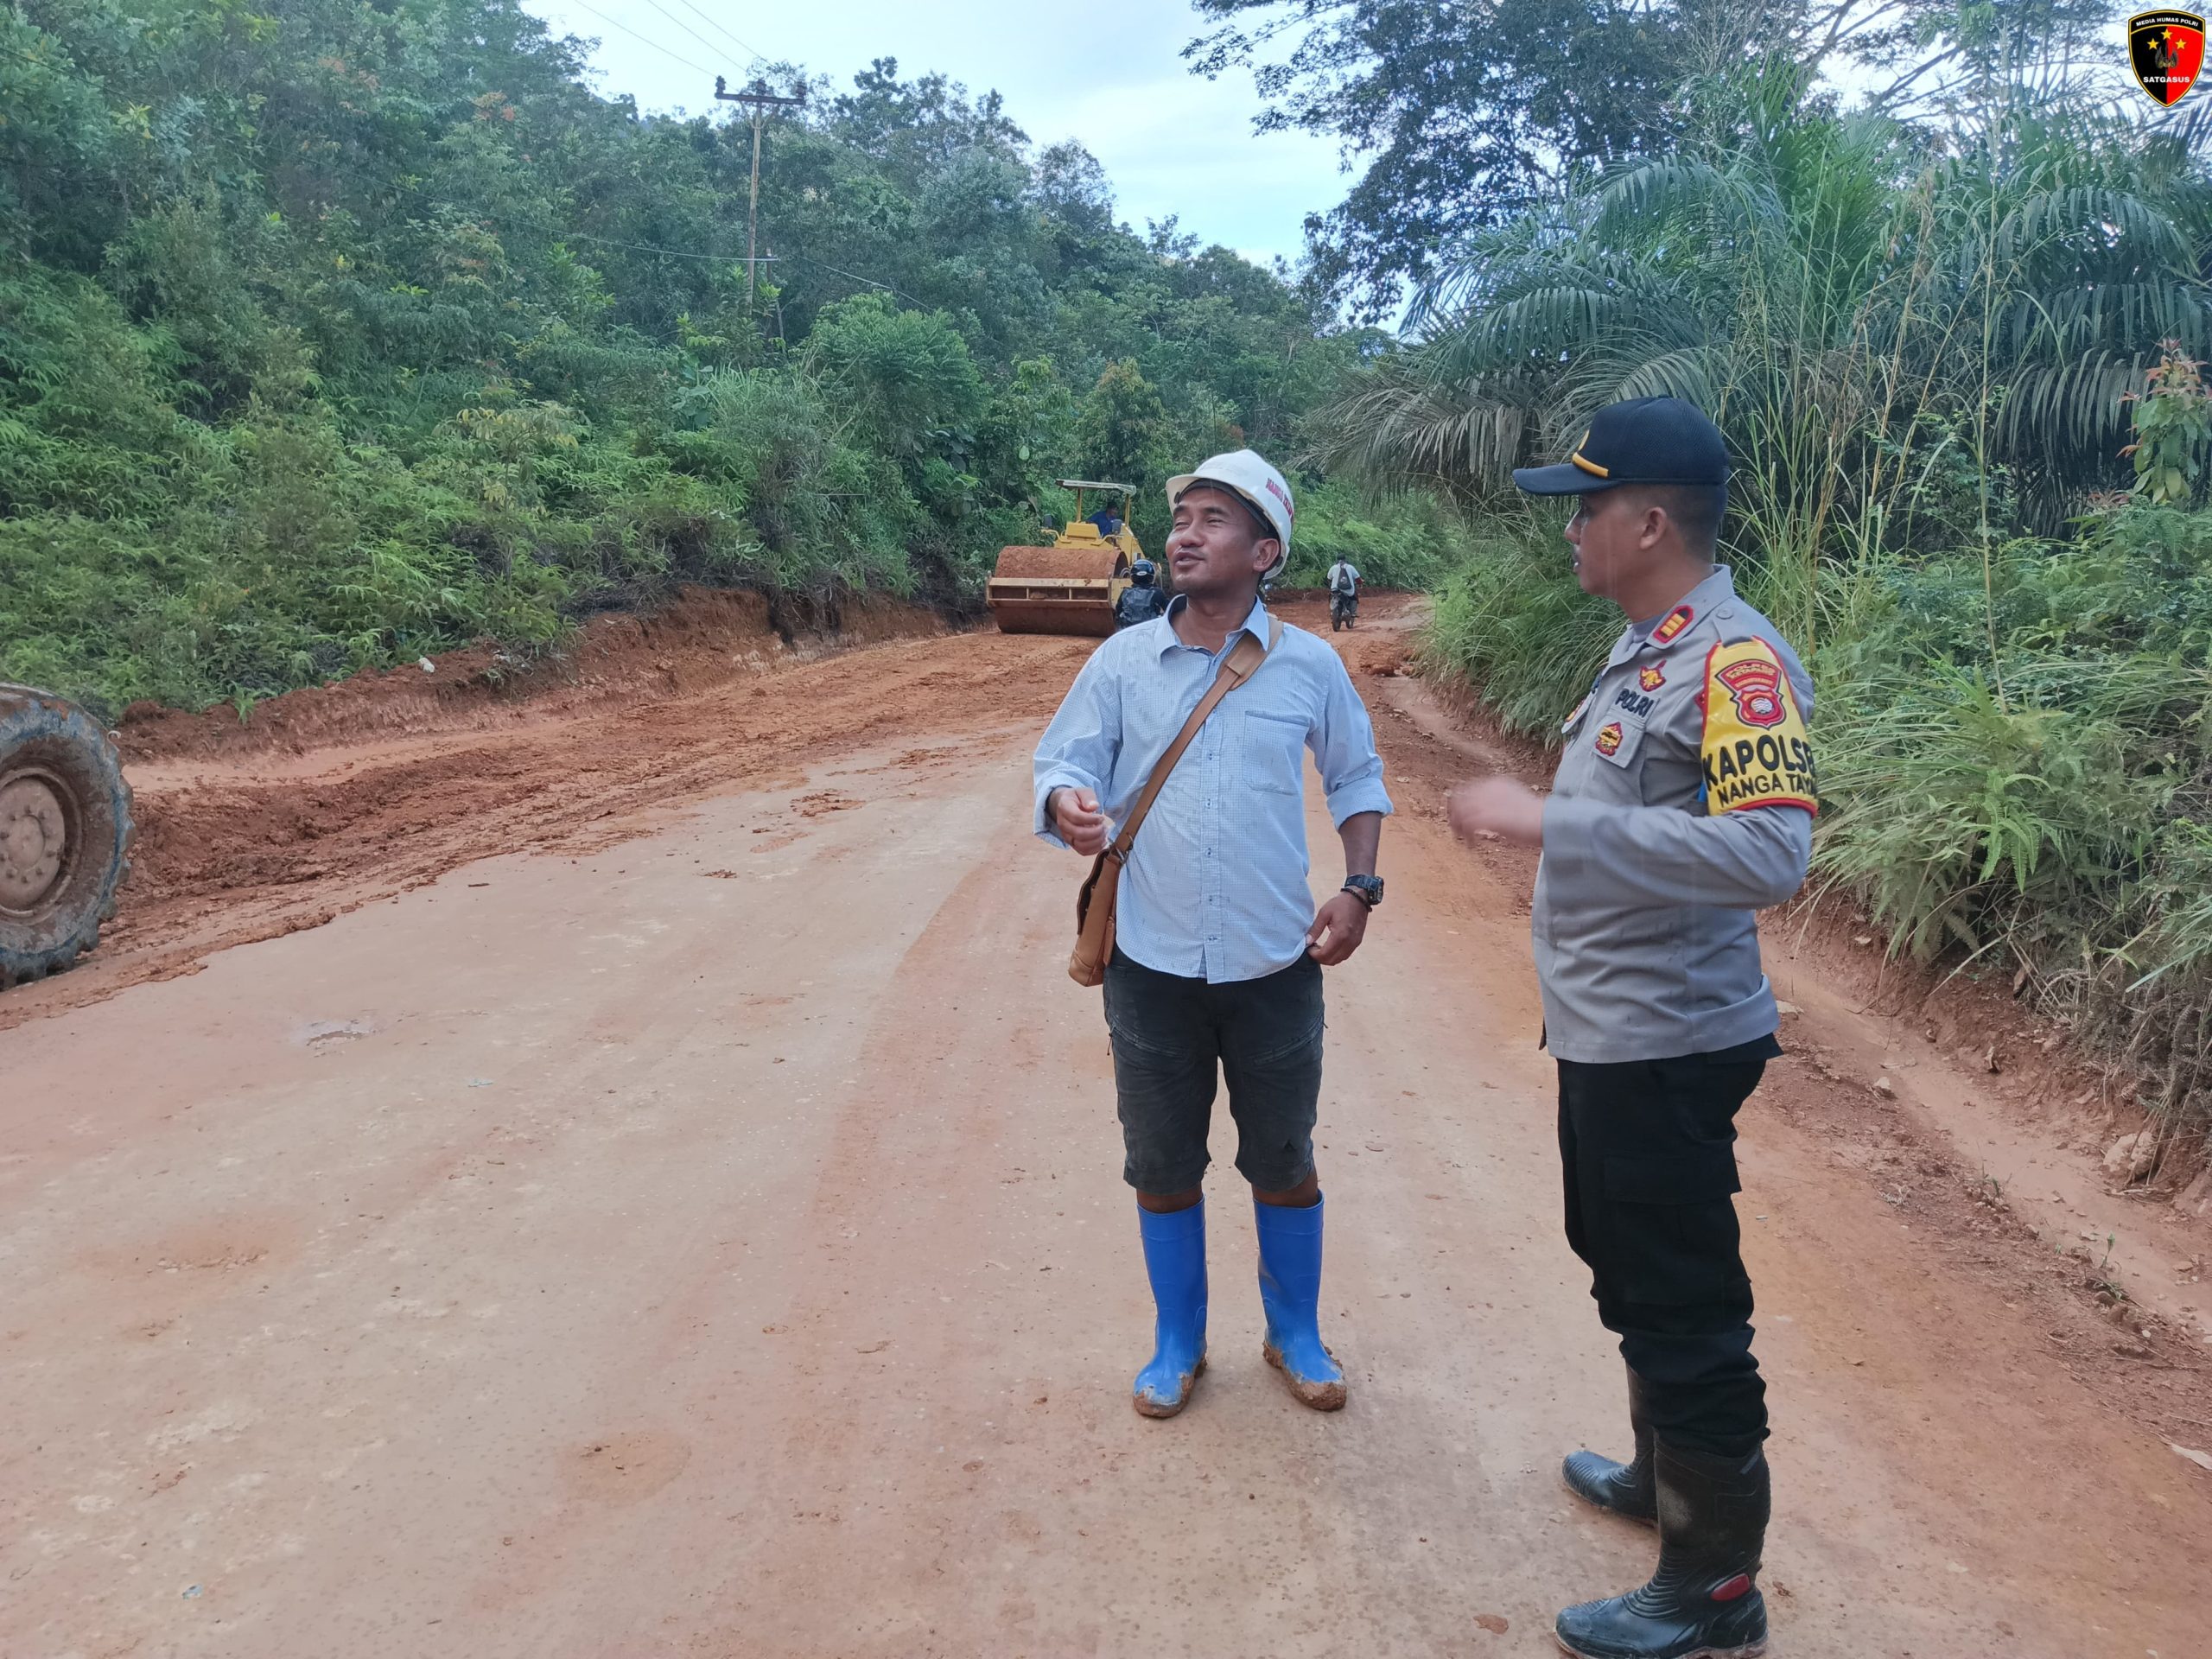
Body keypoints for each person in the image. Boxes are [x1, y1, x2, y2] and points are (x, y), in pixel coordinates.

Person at [1446, 397, 1813, 1659]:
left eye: (1586, 507)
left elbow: (1770, 853)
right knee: (1622, 1259)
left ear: (1650, 522)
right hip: (1615, 1033)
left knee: (1683, 1303)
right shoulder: (1650, 647)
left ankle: (1713, 1592)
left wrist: (1548, 820)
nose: (1571, 531)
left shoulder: (1735, 662)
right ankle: (1665, 1480)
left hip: (1670, 1042)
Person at [1033, 448, 1393, 1419]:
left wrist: (1359, 888)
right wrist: (1067, 802)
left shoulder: (1310, 665)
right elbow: (1063, 762)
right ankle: (1178, 1340)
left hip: (1275, 964)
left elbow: (1357, 778)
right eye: (1182, 517)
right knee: (1160, 1166)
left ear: (1265, 552)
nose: (1184, 535)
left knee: (1284, 1159)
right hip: (1149, 968)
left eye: (1212, 520)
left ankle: (1295, 1333)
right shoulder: (1121, 663)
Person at [1114, 558, 1169, 630]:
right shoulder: (1157, 592)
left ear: (1132, 576)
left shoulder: (1125, 592)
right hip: (1150, 632)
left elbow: (1118, 612)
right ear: (1151, 575)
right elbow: (1169, 609)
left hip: (1128, 632)